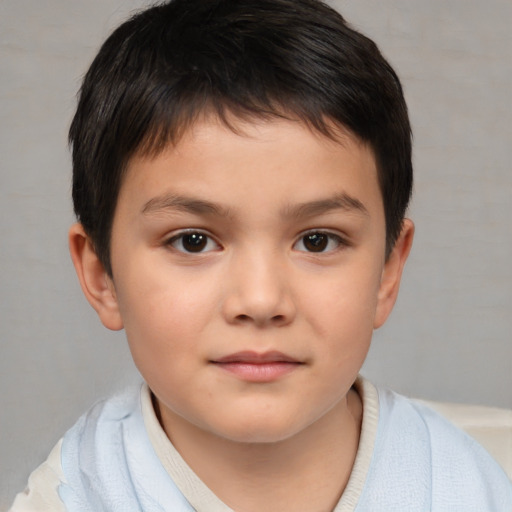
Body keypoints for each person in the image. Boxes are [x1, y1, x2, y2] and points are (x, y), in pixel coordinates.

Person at [9, 0, 512, 510]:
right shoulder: (74, 495)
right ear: (101, 276)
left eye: (317, 240)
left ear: (387, 271)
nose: (260, 299)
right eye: (193, 241)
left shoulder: (467, 487)